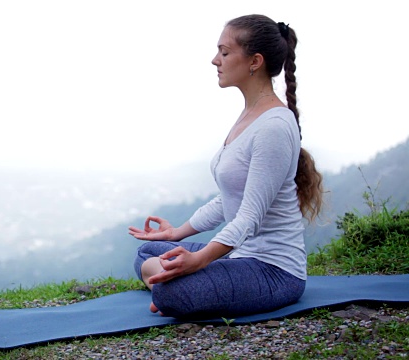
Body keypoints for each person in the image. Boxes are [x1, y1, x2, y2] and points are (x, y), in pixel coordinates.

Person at [128, 14, 323, 318]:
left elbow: (250, 215)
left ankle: (169, 289)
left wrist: (201, 260)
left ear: (254, 61)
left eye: (225, 52)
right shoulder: (249, 117)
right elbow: (228, 200)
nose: (215, 60)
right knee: (146, 253)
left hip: (273, 271)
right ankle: (173, 284)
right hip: (239, 256)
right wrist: (176, 234)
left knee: (171, 290)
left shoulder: (273, 126)